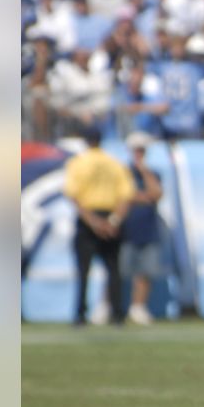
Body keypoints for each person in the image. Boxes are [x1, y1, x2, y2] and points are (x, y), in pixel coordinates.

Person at [63, 124, 134, 326]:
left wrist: (94, 222)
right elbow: (126, 196)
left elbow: (74, 197)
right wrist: (112, 221)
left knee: (83, 271)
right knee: (113, 270)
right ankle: (117, 314)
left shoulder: (78, 163)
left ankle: (80, 314)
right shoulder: (114, 163)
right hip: (111, 217)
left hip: (89, 219)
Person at [120, 132, 164, 326]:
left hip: (147, 229)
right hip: (125, 228)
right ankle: (109, 306)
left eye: (141, 150)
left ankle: (138, 307)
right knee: (118, 271)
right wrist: (140, 197)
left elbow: (156, 194)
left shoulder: (152, 173)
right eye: (135, 150)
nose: (138, 154)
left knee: (145, 272)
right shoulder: (122, 172)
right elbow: (121, 196)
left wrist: (143, 171)